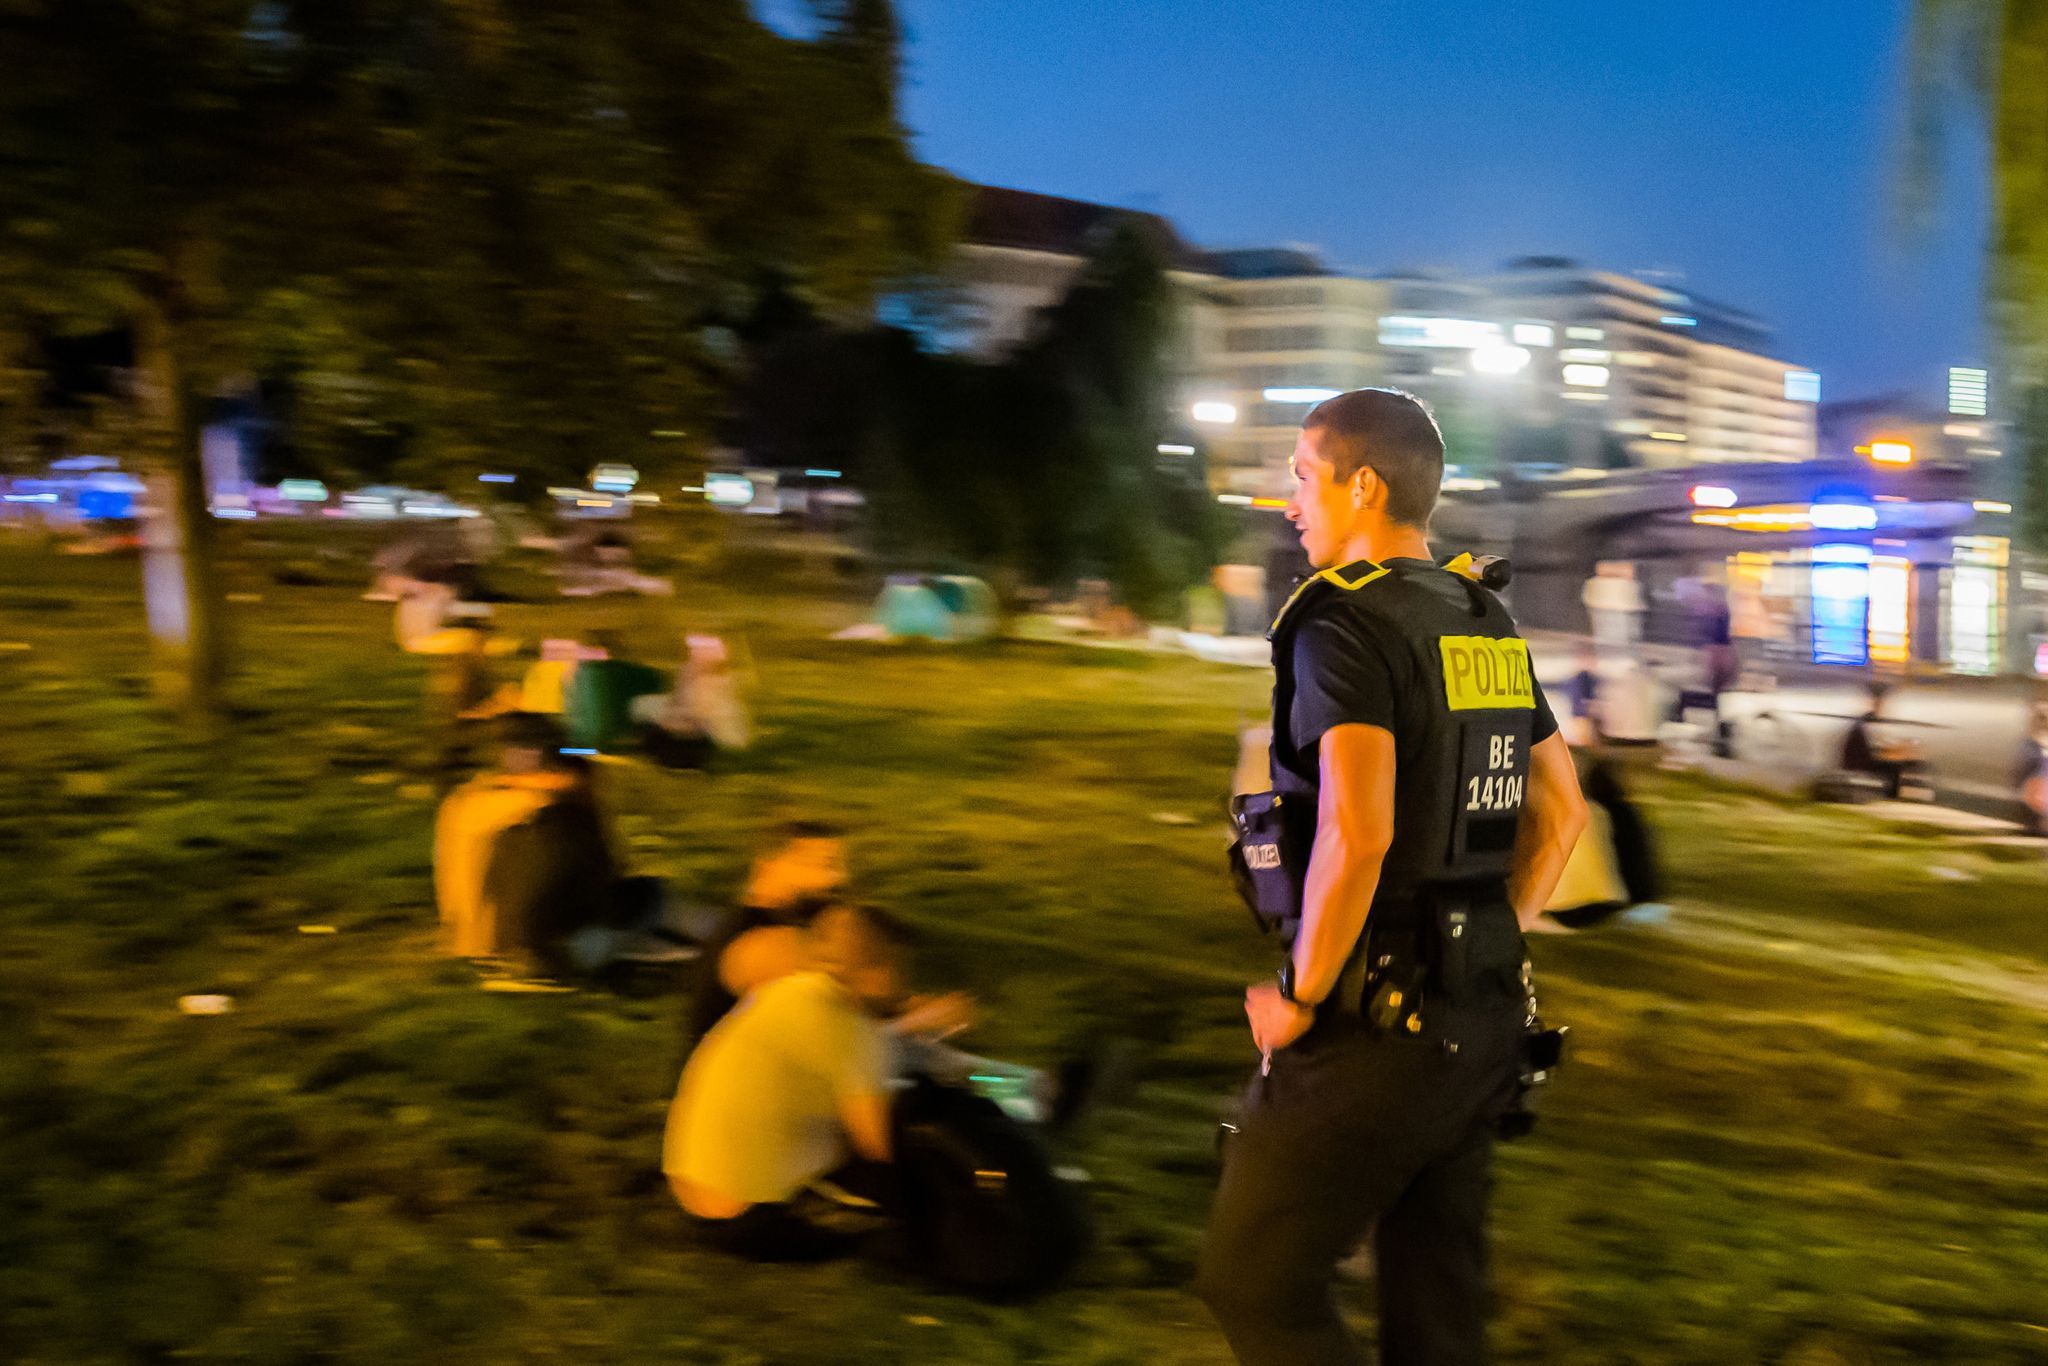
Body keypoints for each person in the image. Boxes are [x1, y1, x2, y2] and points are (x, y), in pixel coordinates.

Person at [1197, 388, 1588, 1366]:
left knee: (1253, 1280)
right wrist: (1489, 936)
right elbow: (1562, 812)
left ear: (1361, 485)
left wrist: (1299, 997)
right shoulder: (1481, 616)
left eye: (1301, 475)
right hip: (1482, 1020)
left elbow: (1358, 830)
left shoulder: (1344, 624)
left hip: (1374, 1027)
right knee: (1435, 1319)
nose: (1290, 500)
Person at [663, 904, 908, 1260]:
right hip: (746, 1218)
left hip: (685, 1187)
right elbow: (877, 1146)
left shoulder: (788, 990)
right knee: (894, 1148)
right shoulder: (855, 1033)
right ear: (877, 971)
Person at [1839, 683, 1931, 801]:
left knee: (1908, 763)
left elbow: (1880, 747)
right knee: (1901, 766)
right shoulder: (1868, 722)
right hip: (1861, 769)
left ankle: (1902, 797)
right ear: (1877, 702)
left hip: (1864, 765)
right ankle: (1892, 798)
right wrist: (1903, 751)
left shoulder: (1869, 719)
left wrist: (1900, 749)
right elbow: (1879, 753)